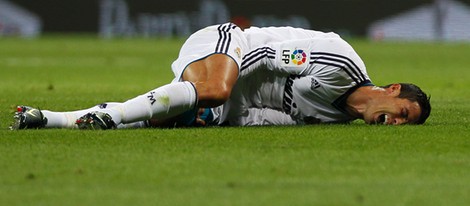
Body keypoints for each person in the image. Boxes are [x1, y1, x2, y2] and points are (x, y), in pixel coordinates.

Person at [11, 23, 431, 130]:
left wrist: (215, 113)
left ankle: (49, 117)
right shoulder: (341, 63)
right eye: (402, 112)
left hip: (221, 91)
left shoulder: (336, 119)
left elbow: (261, 117)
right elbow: (263, 51)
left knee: (165, 122)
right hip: (226, 44)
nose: (395, 123)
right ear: (392, 90)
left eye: (402, 124)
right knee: (213, 92)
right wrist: (212, 93)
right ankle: (117, 111)